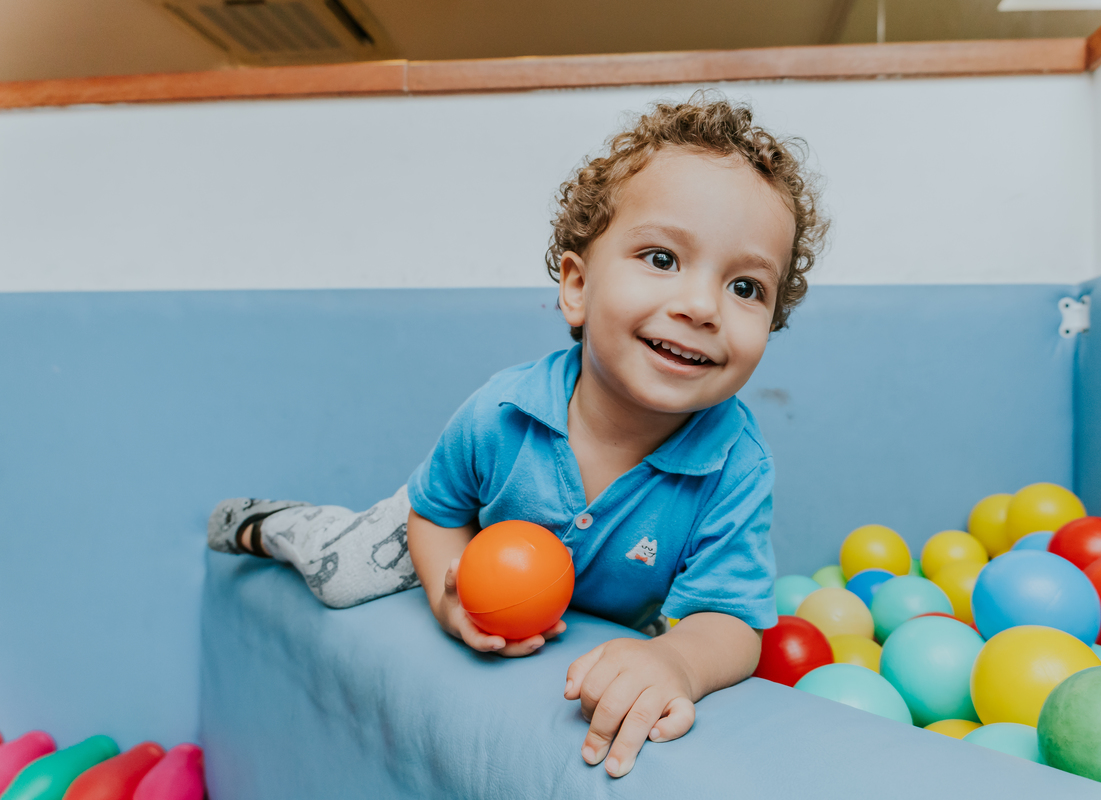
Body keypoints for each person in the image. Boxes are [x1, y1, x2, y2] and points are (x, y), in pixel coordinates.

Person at [207, 92, 826, 778]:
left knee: (638, 663)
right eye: (660, 258)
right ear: (577, 287)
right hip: (454, 543)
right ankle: (279, 526)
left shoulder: (732, 464)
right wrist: (449, 595)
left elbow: (731, 622)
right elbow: (437, 513)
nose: (702, 306)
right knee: (347, 574)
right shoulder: (504, 412)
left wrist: (675, 659)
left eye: (745, 287)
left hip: (601, 605)